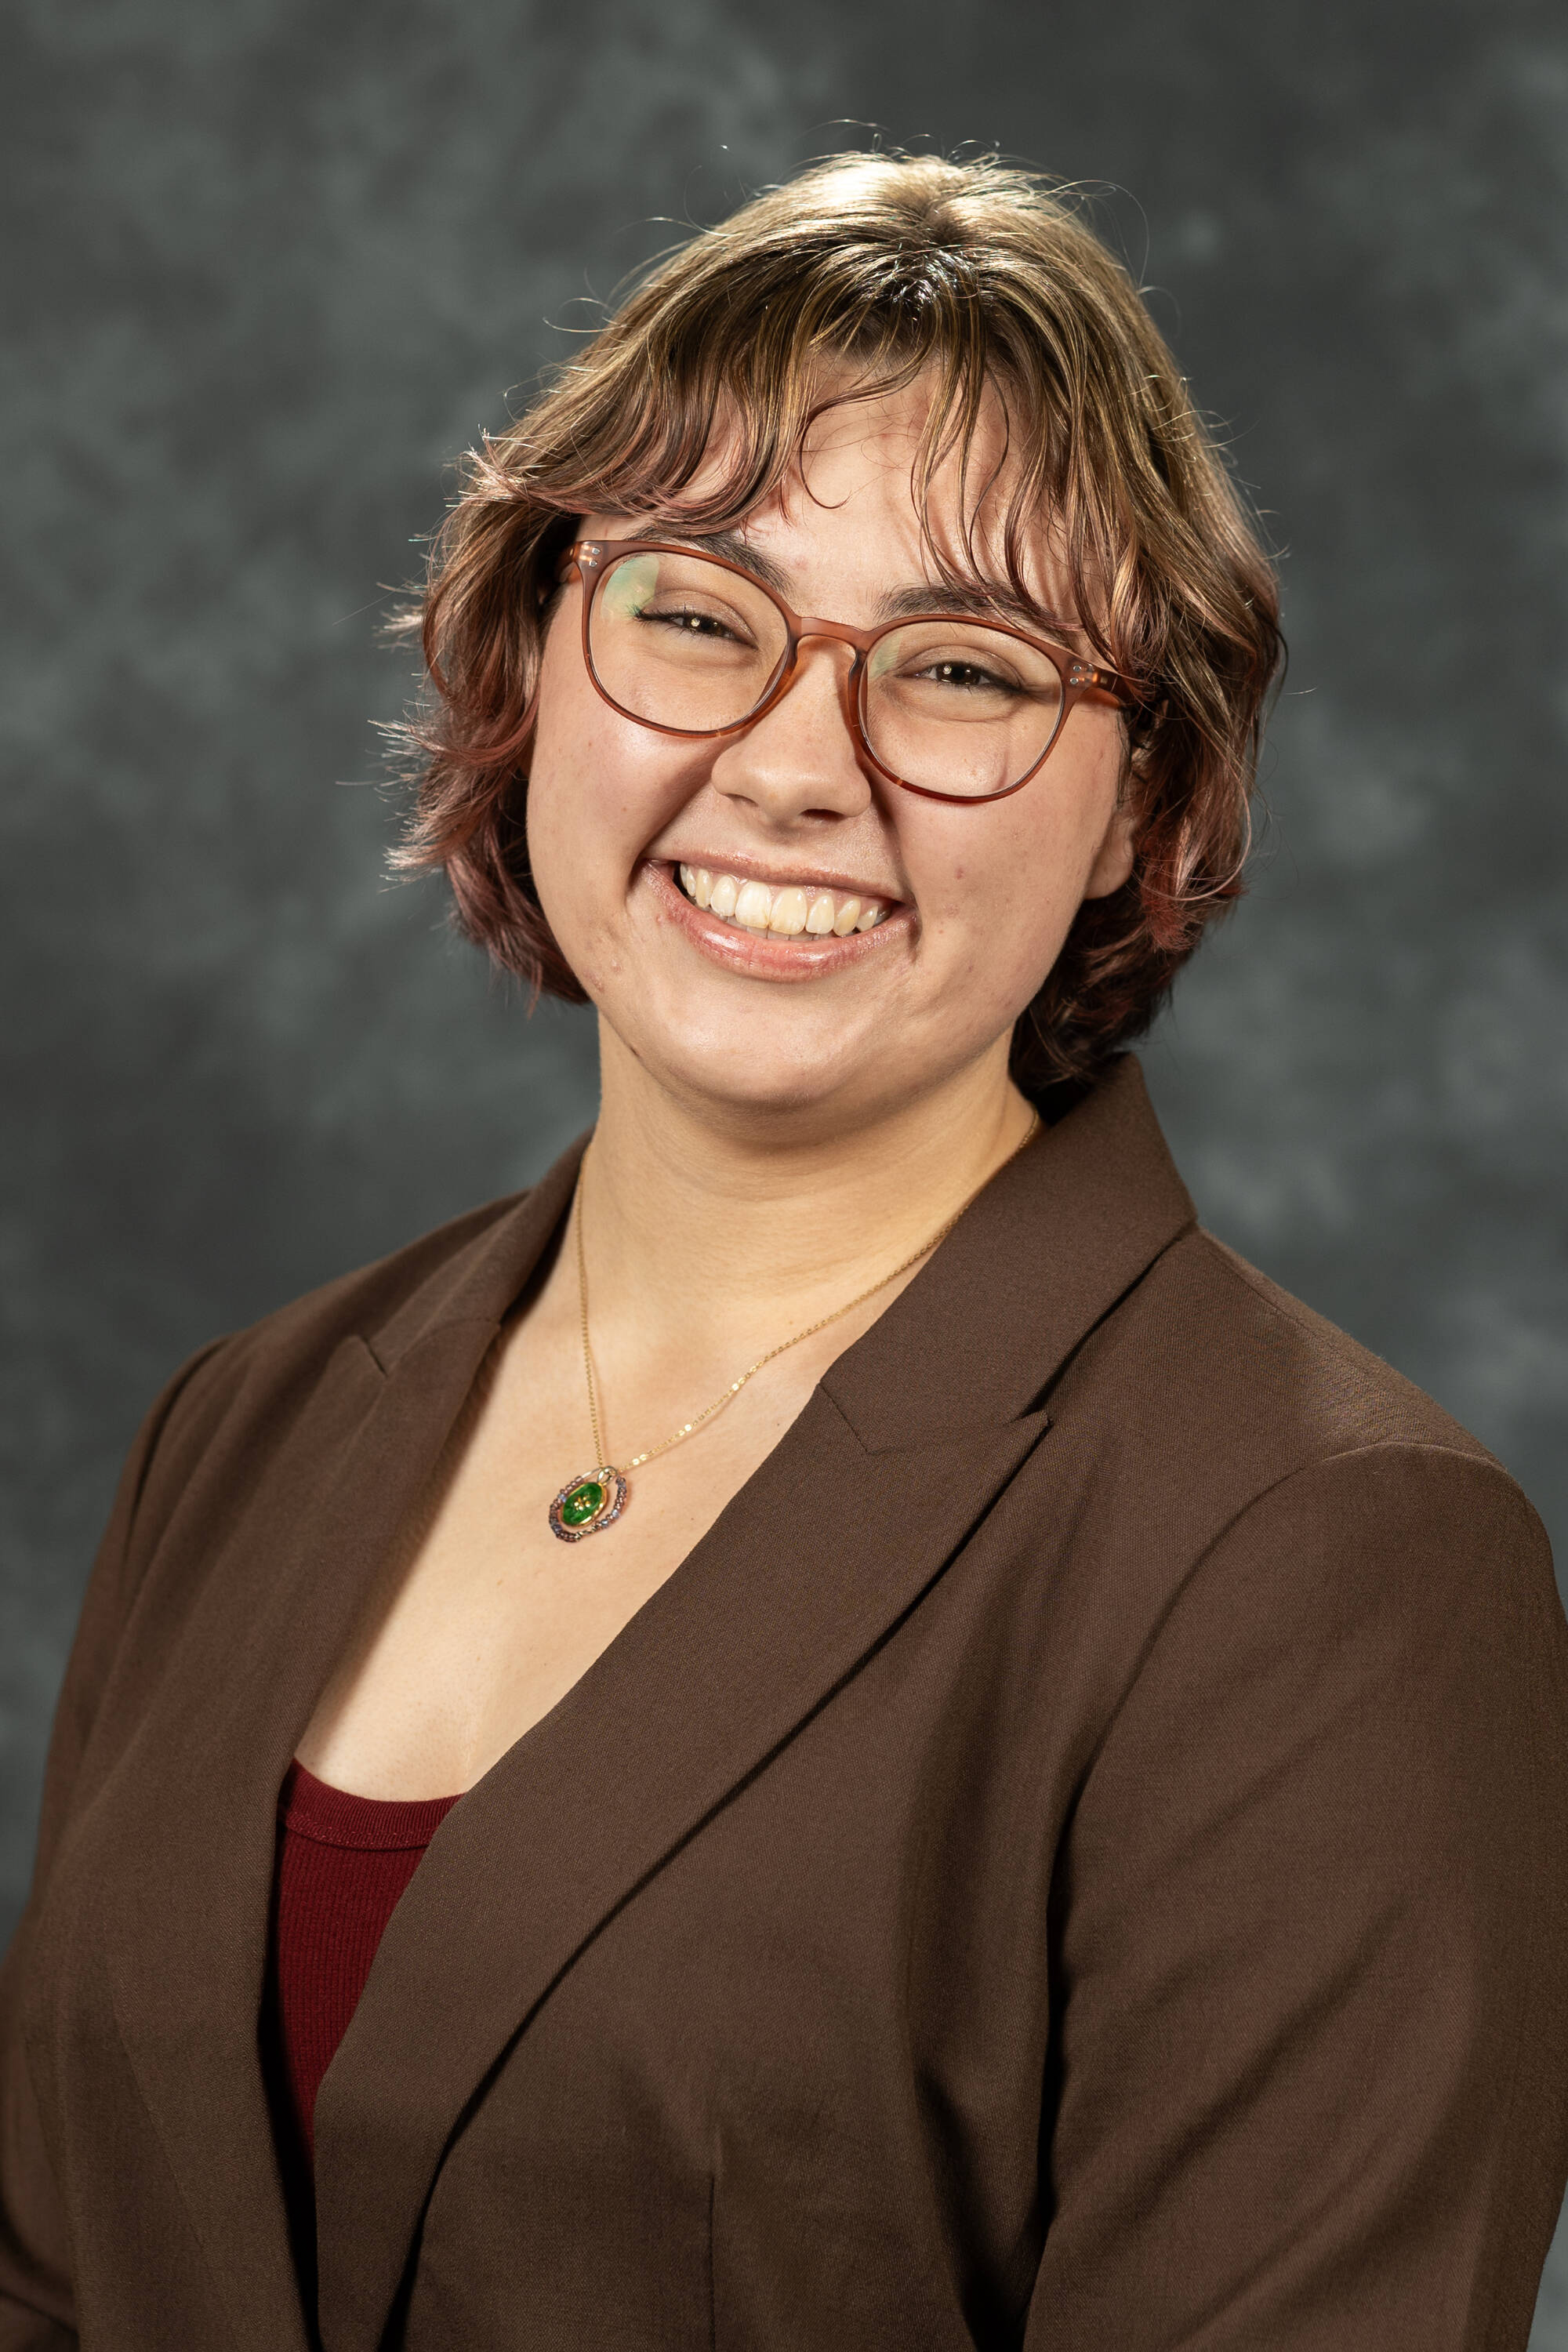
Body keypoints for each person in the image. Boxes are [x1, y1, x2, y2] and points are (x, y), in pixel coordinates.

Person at [2, 150, 1565, 2352]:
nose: (794, 766)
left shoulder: (1325, 1559)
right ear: (536, 655)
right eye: (698, 615)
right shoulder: (240, 1433)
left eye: (962, 667)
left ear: (1143, 797)